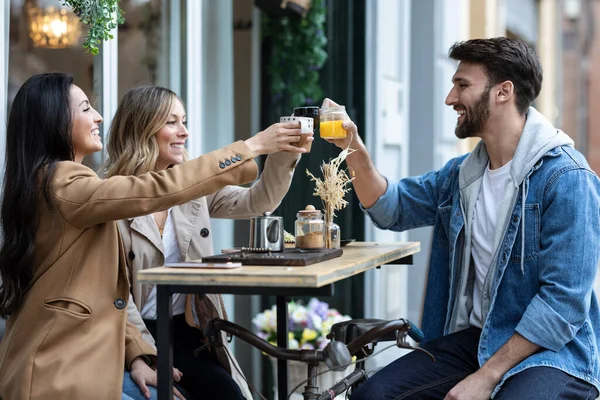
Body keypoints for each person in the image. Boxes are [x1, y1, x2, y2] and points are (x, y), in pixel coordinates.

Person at [0, 73, 306, 400]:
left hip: (150, 337)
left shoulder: (65, 181)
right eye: (86, 108)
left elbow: (253, 200)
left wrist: (282, 151)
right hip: (74, 356)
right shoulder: (70, 182)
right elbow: (154, 193)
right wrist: (253, 146)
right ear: (55, 120)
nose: (99, 116)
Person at [325, 38, 600, 399]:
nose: (450, 98)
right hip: (477, 340)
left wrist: (486, 378)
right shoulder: (460, 177)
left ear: (503, 92)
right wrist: (353, 147)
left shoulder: (566, 179)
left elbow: (562, 305)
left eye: (463, 85)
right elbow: (390, 208)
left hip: (551, 352)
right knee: (373, 396)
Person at [104, 85, 308, 400]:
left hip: (187, 330)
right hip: (129, 332)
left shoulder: (193, 186)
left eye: (183, 121)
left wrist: (283, 155)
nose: (184, 132)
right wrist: (141, 356)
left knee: (229, 395)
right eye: (171, 122)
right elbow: (115, 295)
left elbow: (257, 200)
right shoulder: (111, 197)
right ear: (142, 129)